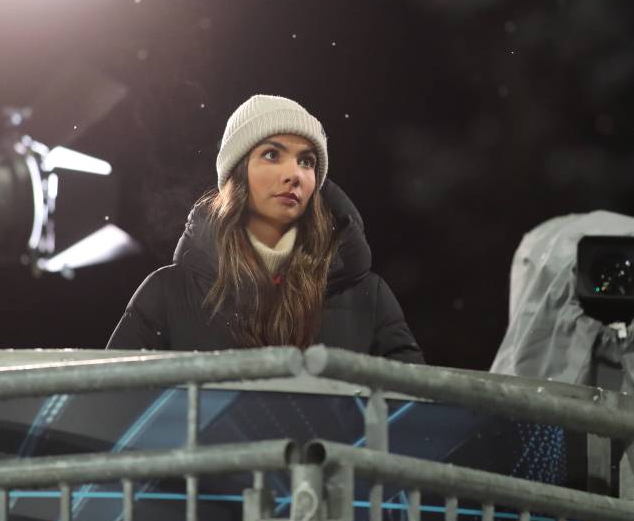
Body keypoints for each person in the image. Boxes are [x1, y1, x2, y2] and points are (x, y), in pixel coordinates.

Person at [107, 95, 423, 362]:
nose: (295, 174)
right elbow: (108, 410)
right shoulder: (167, 293)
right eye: (272, 155)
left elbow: (419, 420)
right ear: (236, 174)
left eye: (307, 161)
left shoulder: (369, 297)